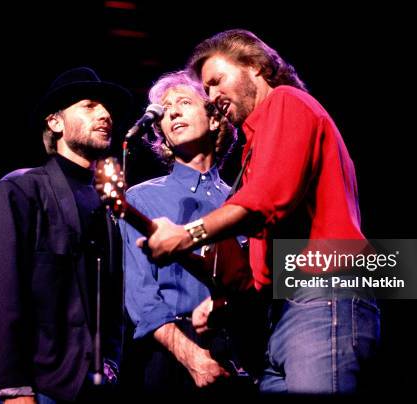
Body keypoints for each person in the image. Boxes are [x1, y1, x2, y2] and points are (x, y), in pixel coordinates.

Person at [139, 30, 381, 394]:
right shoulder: (256, 143)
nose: (214, 97)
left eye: (217, 82)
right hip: (285, 315)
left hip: (322, 294)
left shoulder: (286, 102)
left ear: (255, 66)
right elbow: (262, 260)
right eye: (207, 90)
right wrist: (222, 303)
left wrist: (187, 234)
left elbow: (266, 200)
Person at [0, 67, 131, 403]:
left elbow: (115, 292)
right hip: (44, 385)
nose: (105, 115)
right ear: (55, 122)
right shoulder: (21, 189)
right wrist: (13, 388)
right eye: (89, 105)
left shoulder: (109, 201)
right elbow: (0, 294)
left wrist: (112, 362)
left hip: (100, 386)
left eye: (106, 109)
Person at [121, 70, 248, 392]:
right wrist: (191, 356)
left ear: (216, 120)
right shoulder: (141, 198)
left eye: (184, 102)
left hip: (244, 348)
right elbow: (141, 296)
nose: (173, 112)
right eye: (165, 109)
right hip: (173, 354)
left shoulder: (243, 200)